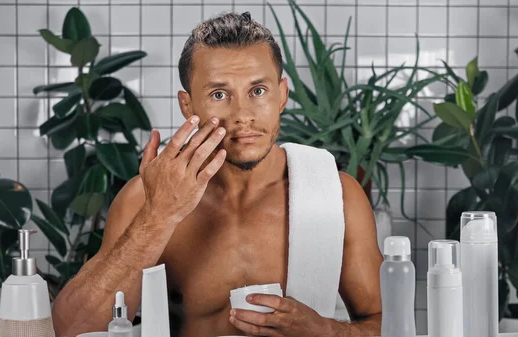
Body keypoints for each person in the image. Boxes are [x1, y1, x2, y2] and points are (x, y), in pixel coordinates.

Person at [51, 11, 383, 337]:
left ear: (282, 95)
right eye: (219, 95)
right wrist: (159, 214)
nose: (243, 116)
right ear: (188, 106)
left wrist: (327, 331)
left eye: (258, 91)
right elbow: (72, 329)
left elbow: (390, 323)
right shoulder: (147, 198)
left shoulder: (336, 196)